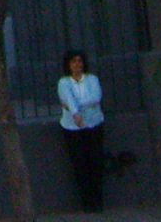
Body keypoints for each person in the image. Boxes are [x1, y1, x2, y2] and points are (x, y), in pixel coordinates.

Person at [57, 49, 105, 212]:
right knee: (79, 164)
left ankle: (98, 200)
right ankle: (86, 202)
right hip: (72, 128)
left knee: (95, 161)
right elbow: (67, 98)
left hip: (94, 124)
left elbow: (96, 98)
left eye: (79, 61)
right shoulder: (64, 82)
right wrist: (75, 109)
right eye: (73, 62)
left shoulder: (92, 79)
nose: (77, 65)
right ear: (68, 65)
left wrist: (75, 107)